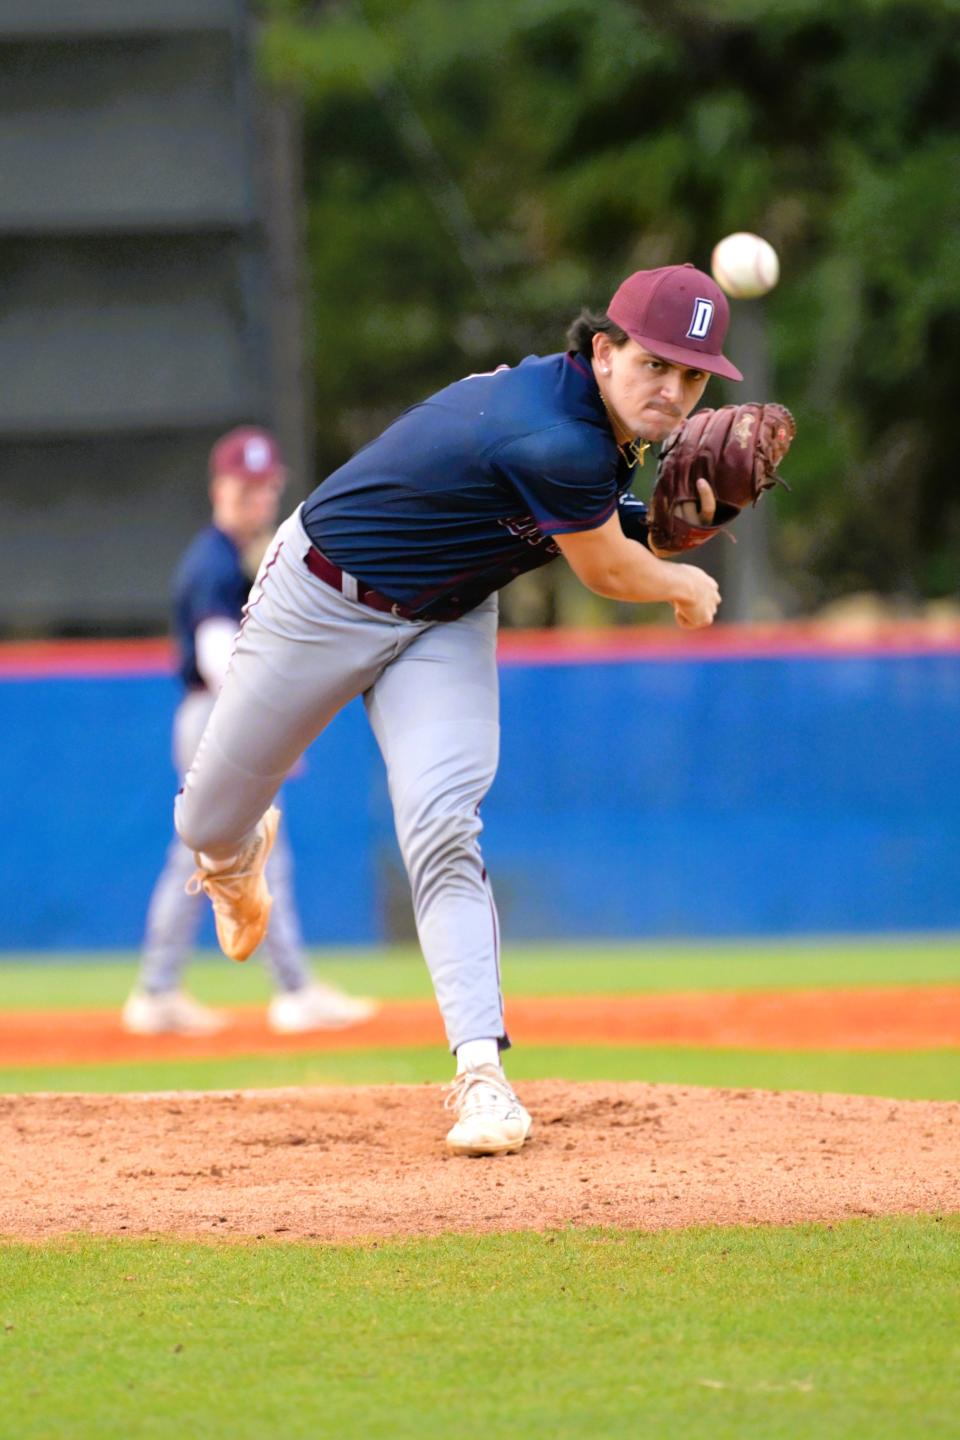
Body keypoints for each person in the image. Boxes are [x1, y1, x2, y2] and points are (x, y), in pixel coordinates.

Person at [174, 264, 735, 1152]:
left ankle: (482, 1076)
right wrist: (682, 577)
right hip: (319, 597)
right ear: (602, 352)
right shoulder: (555, 432)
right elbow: (608, 567)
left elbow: (596, 513)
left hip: (444, 618)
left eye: (692, 374)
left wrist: (661, 519)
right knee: (205, 821)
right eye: (654, 364)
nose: (672, 389)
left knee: (442, 827)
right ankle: (233, 856)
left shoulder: (594, 434)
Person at [123, 426, 377, 1037]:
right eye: (246, 486)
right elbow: (216, 654)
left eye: (266, 488)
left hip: (216, 715)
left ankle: (158, 989)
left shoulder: (240, 552)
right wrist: (261, 726)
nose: (256, 498)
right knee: (261, 856)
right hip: (219, 712)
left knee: (201, 854)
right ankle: (292, 991)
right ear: (220, 487)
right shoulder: (212, 561)